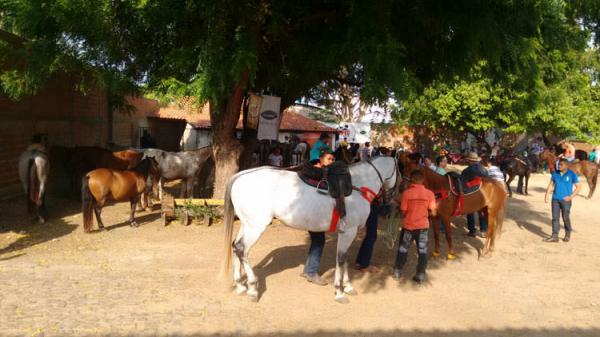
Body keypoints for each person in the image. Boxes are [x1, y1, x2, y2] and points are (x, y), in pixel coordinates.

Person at [393, 170, 437, 284]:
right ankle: (420, 274)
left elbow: (403, 212)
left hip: (408, 226)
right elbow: (433, 213)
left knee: (403, 248)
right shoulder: (430, 194)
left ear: (411, 180)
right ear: (422, 180)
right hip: (423, 227)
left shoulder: (406, 193)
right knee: (422, 251)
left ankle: (398, 271)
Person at [301, 149, 335, 285]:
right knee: (319, 241)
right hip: (313, 212)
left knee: (317, 241)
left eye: (333, 159)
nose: (331, 161)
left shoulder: (320, 171)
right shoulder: (316, 172)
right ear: (321, 159)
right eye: (329, 159)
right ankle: (311, 272)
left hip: (316, 211)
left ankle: (307, 270)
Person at [544, 158, 582, 242]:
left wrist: (571, 196)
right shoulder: (555, 173)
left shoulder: (572, 174)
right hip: (555, 199)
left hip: (566, 201)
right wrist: (546, 195)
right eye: (559, 164)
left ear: (567, 165)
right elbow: (551, 185)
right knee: (555, 218)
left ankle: (568, 233)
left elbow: (579, 186)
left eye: (561, 164)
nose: (559, 166)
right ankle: (555, 236)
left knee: (565, 218)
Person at [461, 152, 490, 237]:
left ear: (469, 160)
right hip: (482, 193)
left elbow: (463, 184)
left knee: (470, 212)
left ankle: (472, 231)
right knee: (482, 212)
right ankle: (484, 230)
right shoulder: (484, 169)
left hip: (471, 194)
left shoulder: (466, 171)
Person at [354, 197, 382, 272]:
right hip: (371, 204)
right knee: (372, 235)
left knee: (370, 235)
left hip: (369, 204)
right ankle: (364, 264)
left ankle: (360, 261)